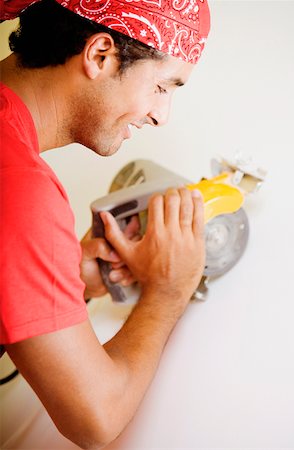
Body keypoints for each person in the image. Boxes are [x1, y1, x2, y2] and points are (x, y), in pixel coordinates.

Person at [0, 0, 210, 447]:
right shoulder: (17, 184)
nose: (161, 114)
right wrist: (167, 291)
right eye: (162, 86)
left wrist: (62, 280)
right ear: (100, 55)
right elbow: (95, 420)